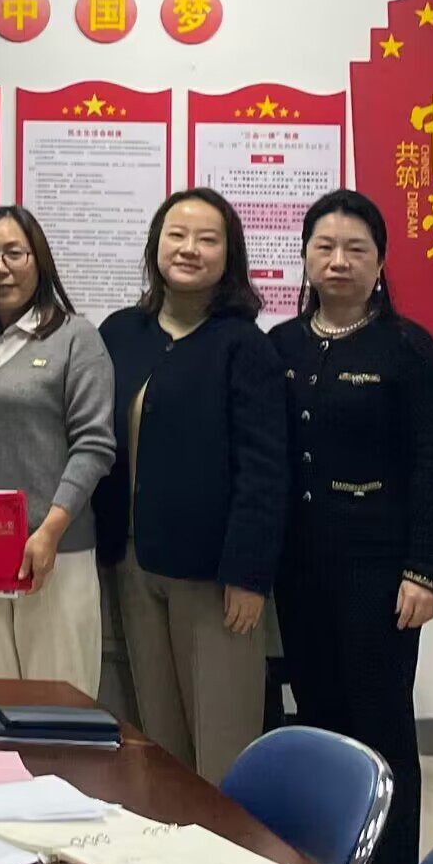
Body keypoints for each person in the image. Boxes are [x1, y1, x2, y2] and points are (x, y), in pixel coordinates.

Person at [272, 190, 433, 864]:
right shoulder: (281, 345)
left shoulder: (409, 350)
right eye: (325, 247)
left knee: (380, 725)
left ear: (380, 262)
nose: (339, 261)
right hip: (300, 568)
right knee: (317, 718)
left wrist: (425, 571)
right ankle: (326, 857)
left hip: (380, 574)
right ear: (305, 256)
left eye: (356, 249)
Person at [94, 188, 287, 783]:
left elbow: (265, 468)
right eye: (176, 235)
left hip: (214, 577)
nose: (189, 249)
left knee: (221, 741)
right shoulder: (121, 333)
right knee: (158, 740)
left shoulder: (245, 345)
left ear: (229, 256)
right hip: (134, 564)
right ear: (156, 245)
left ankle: (227, 842)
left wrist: (249, 574)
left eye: (208, 239)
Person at [0, 206, 116, 694]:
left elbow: (94, 445)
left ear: (39, 261)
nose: (0, 268)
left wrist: (50, 531)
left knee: (60, 711)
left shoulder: (76, 339)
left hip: (56, 552)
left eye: (14, 253)